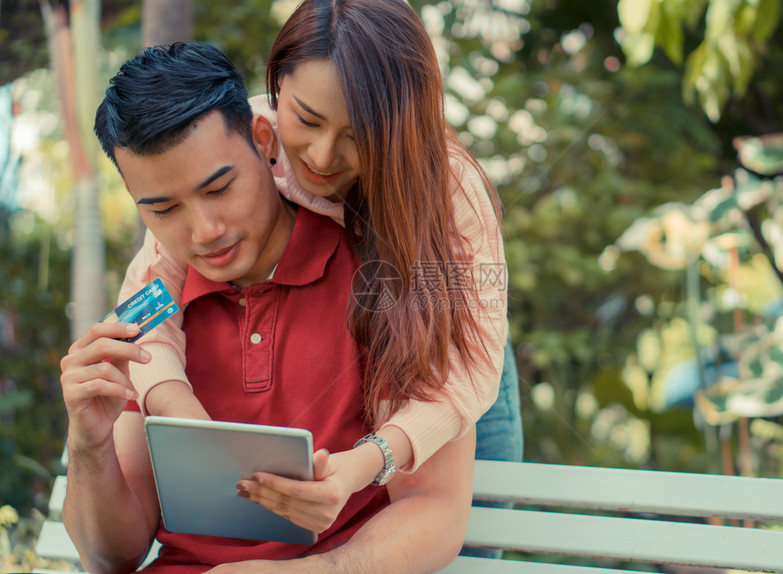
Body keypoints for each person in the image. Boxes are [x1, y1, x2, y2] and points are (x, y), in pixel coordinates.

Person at [117, 0, 523, 549]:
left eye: (359, 134)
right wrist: (186, 418)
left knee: (460, 545)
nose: (323, 156)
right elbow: (148, 298)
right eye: (306, 120)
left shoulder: (451, 192)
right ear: (276, 90)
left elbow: (466, 376)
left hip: (457, 362)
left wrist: (371, 460)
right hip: (368, 338)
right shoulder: (239, 145)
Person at [60, 41, 475, 574]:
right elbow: (109, 558)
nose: (205, 232)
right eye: (163, 209)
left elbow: (435, 510)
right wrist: (88, 443)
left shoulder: (388, 274)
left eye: (221, 187)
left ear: (263, 139)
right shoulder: (151, 317)